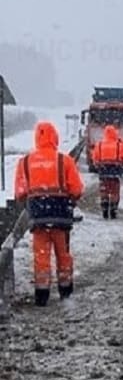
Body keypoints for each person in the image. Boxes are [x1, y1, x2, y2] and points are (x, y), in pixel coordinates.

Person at [13, 121, 84, 306]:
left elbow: (20, 193)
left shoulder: (25, 162)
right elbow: (76, 189)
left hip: (38, 219)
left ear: (37, 137)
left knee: (41, 256)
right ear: (55, 138)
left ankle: (42, 294)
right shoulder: (64, 161)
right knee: (64, 255)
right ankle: (65, 290)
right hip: (61, 219)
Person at [90, 125, 123, 219]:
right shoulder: (119, 145)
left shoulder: (99, 145)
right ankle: (113, 211)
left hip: (103, 172)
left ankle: (105, 210)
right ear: (115, 134)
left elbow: (94, 158)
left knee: (104, 191)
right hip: (115, 172)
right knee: (114, 192)